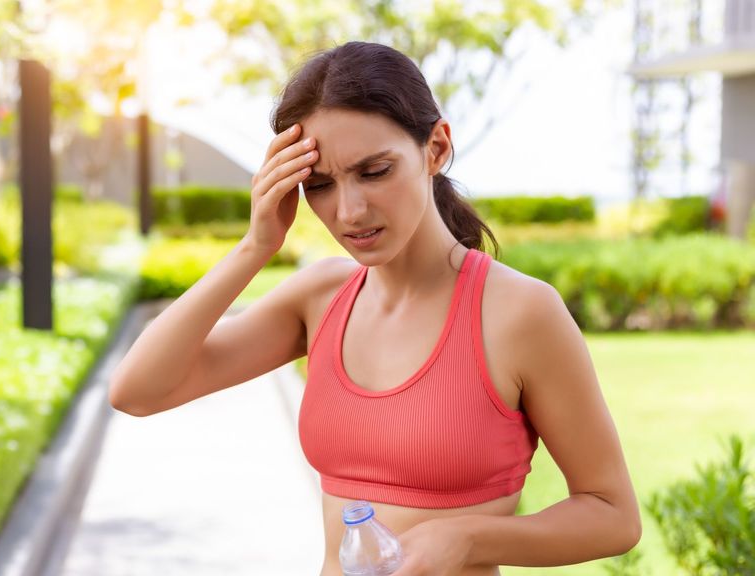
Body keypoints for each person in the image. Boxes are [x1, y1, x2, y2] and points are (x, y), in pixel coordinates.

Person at [109, 41, 641, 576]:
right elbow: (137, 391)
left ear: (435, 148)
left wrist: (469, 539)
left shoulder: (519, 313)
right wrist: (256, 247)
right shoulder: (320, 298)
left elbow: (612, 515)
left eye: (374, 171)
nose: (349, 211)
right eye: (319, 185)